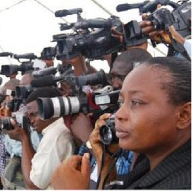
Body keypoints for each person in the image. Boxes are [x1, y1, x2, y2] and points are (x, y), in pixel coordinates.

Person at [51, 57, 191, 189]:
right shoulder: (149, 161)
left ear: (184, 115)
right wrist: (106, 162)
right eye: (121, 102)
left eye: (136, 102)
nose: (119, 114)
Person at [6, 87, 76, 189]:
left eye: (34, 114)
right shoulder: (55, 131)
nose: (31, 121)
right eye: (29, 116)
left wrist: (24, 139)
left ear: (52, 109)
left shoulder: (55, 135)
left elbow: (33, 184)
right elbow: (35, 168)